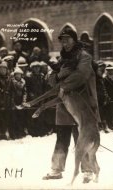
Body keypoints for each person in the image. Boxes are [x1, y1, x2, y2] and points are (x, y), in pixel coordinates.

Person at [43, 27, 100, 182]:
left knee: (81, 137)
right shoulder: (63, 59)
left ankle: (87, 170)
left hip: (81, 105)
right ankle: (56, 169)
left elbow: (81, 75)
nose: (64, 43)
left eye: (67, 40)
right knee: (61, 137)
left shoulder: (85, 57)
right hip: (64, 105)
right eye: (62, 40)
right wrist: (57, 77)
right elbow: (52, 78)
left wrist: (60, 82)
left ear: (75, 40)